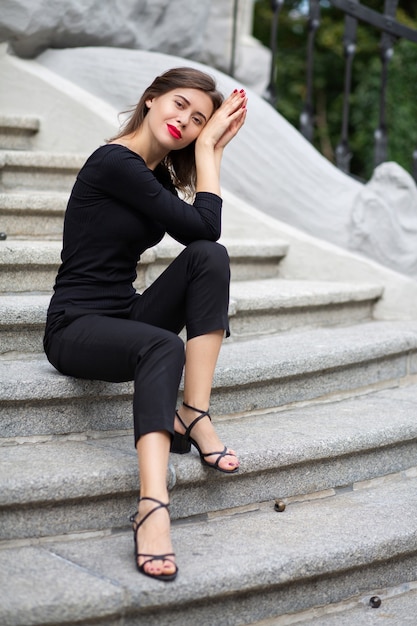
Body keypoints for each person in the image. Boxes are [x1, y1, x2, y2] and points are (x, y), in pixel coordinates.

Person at [43, 66, 247, 582]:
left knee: (210, 258)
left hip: (124, 310)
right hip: (75, 325)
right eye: (179, 104)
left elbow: (204, 235)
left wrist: (212, 151)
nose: (185, 120)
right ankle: (152, 507)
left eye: (200, 119)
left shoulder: (153, 178)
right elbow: (205, 219)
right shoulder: (115, 162)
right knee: (163, 347)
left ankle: (193, 413)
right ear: (151, 100)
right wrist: (209, 153)